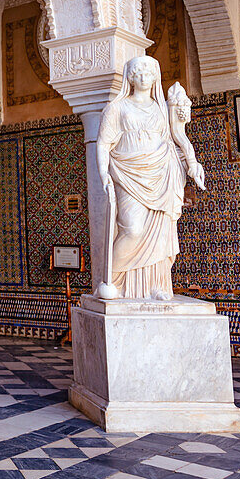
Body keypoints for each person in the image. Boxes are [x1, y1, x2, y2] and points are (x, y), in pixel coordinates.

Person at [96, 56, 205, 300]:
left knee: (161, 232)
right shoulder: (117, 108)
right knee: (133, 230)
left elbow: (177, 136)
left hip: (161, 173)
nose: (144, 77)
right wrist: (103, 173)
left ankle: (156, 286)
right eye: (138, 72)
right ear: (130, 77)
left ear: (155, 77)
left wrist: (192, 162)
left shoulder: (160, 109)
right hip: (128, 174)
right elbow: (103, 143)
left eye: (148, 72)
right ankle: (111, 278)